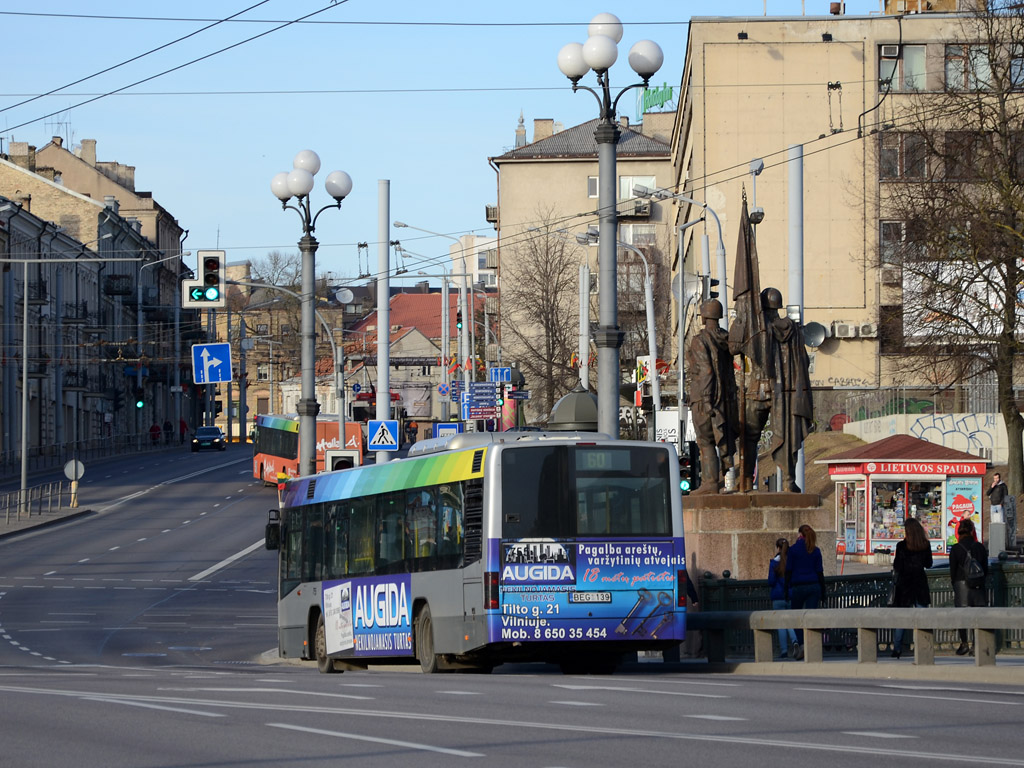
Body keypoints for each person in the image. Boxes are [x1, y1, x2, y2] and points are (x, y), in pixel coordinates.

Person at [686, 299, 739, 494]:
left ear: (704, 316)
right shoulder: (726, 339)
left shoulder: (700, 340)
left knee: (706, 441)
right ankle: (721, 479)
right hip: (726, 399)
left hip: (704, 399)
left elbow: (706, 370)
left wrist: (707, 399)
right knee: (723, 439)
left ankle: (709, 482)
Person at [763, 287, 813, 492]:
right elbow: (805, 359)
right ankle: (789, 479)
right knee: (792, 436)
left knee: (779, 433)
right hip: (795, 392)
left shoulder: (766, 330)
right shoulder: (795, 330)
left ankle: (785, 478)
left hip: (776, 391)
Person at [890, 517, 933, 659]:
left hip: (905, 584)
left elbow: (897, 566)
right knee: (923, 618)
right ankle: (924, 646)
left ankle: (897, 649)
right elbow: (928, 563)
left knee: (901, 619)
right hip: (920, 583)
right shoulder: (925, 545)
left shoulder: (901, 546)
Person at [784, 524, 825, 660]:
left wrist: (786, 589)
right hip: (814, 586)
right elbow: (820, 573)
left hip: (798, 586)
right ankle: (811, 644)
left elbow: (788, 571)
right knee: (811, 617)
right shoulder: (816, 550)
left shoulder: (793, 550)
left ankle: (802, 643)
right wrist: (823, 591)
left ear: (800, 535)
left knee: (796, 616)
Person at [949, 517, 988, 656]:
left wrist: (955, 583)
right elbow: (985, 568)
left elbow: (952, 571)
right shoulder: (979, 547)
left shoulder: (956, 549)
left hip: (961, 585)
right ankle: (976, 645)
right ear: (972, 531)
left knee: (962, 615)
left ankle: (964, 643)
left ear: (959, 532)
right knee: (977, 615)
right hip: (978, 585)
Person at [768, 537, 799, 659]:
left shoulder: (774, 563)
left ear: (778, 548)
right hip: (790, 595)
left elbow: (771, 581)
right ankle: (795, 640)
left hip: (778, 596)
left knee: (781, 623)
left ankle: (784, 650)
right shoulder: (791, 562)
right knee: (789, 621)